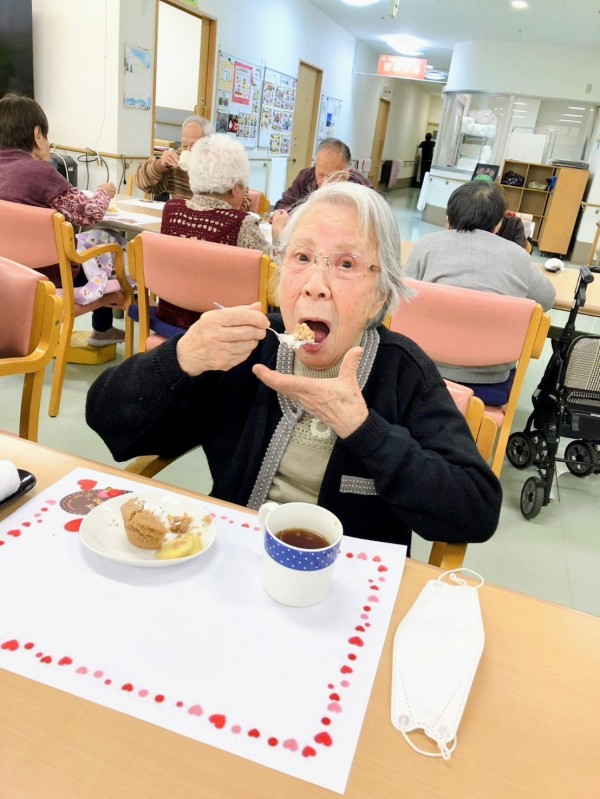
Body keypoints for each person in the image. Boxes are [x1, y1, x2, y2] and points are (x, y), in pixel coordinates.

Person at [86, 182, 502, 551]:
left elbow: (475, 511)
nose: (315, 285)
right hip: (234, 557)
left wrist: (362, 428)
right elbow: (109, 423)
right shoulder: (245, 350)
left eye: (346, 264)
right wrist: (181, 358)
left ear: (380, 295)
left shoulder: (403, 372)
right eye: (301, 257)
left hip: (348, 580)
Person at [404, 180, 556, 402]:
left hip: (423, 368)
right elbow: (547, 299)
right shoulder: (518, 257)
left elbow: (403, 297)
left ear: (448, 217)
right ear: (498, 224)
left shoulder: (426, 246)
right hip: (489, 380)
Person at [0, 93, 123, 346]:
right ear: (37, 135)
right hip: (51, 276)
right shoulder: (41, 172)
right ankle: (105, 327)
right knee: (110, 242)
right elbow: (89, 213)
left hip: (8, 272)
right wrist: (104, 193)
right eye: (46, 137)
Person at [151, 133, 278, 335]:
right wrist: (278, 237)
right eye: (244, 188)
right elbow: (274, 274)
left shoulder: (171, 210)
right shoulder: (241, 223)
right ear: (234, 189)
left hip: (169, 318)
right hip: (219, 330)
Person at [273, 138, 371, 216]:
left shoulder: (360, 187)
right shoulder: (306, 176)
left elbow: (371, 218)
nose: (325, 183)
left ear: (347, 173)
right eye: (320, 175)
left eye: (332, 177)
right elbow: (282, 205)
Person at [134, 115, 214, 200]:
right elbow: (141, 183)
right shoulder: (176, 160)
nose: (188, 150)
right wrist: (160, 164)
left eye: (194, 146)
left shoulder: (219, 167)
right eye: (184, 145)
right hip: (179, 208)